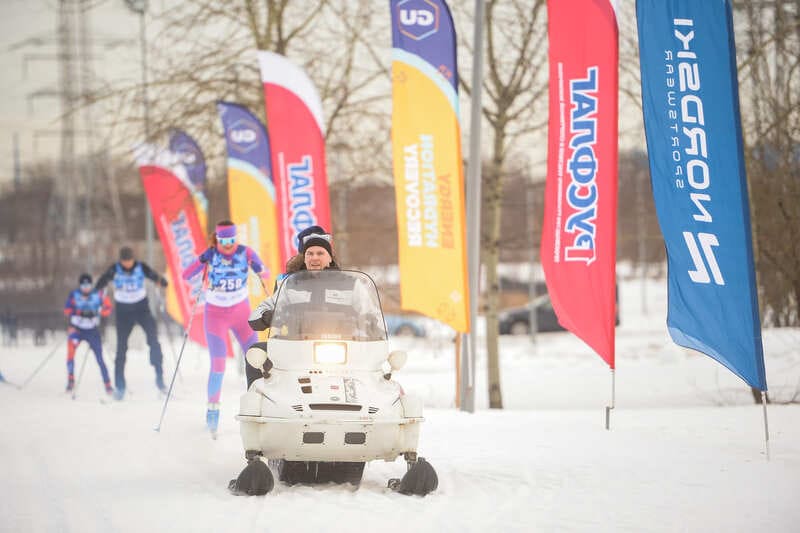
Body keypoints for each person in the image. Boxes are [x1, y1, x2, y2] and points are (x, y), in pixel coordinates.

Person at [182, 220, 270, 435]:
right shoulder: (211, 255)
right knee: (218, 365)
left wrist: (260, 268)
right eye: (224, 241)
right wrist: (201, 261)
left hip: (241, 313)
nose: (229, 245)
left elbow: (265, 273)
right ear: (218, 240)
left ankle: (260, 408)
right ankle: (212, 413)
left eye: (232, 240)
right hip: (216, 316)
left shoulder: (245, 252)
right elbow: (186, 275)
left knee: (257, 359)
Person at [246, 227, 343, 386]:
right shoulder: (290, 284)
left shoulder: (349, 285)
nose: (314, 258)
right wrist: (267, 316)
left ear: (330, 257)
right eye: (310, 254)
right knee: (257, 351)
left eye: (320, 253)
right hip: (294, 347)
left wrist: (368, 321)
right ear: (304, 258)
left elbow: (369, 312)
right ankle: (257, 401)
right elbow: (257, 313)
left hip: (340, 349)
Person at [95, 246, 169, 400]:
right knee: (121, 348)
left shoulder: (141, 267)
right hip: (123, 312)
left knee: (153, 341)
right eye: (124, 261)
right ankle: (120, 386)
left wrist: (161, 281)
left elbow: (154, 276)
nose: (127, 264)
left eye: (129, 261)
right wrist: (98, 288)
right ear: (121, 260)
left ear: (133, 259)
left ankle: (160, 378)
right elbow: (103, 280)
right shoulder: (115, 269)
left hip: (142, 309)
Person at [63, 273, 113, 395]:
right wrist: (79, 312)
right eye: (83, 285)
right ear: (80, 285)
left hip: (92, 330)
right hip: (77, 329)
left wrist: (97, 312)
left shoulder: (98, 294)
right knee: (70, 354)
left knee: (100, 358)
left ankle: (108, 385)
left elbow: (108, 309)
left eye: (88, 285)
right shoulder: (74, 295)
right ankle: (70, 380)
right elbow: (67, 310)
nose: (86, 287)